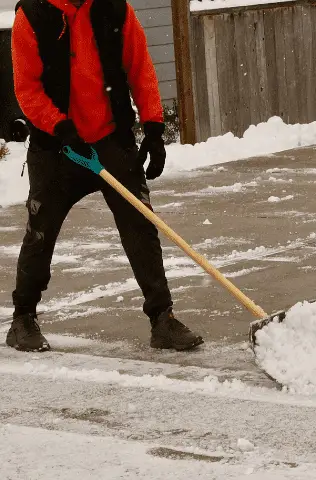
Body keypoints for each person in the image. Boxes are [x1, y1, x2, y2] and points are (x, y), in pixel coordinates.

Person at [8, 0, 203, 352]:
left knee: (141, 226)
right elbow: (27, 89)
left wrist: (155, 128)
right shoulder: (33, 15)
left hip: (110, 140)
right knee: (41, 230)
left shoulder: (114, 8)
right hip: (58, 148)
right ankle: (22, 319)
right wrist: (60, 127)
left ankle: (163, 319)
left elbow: (140, 67)